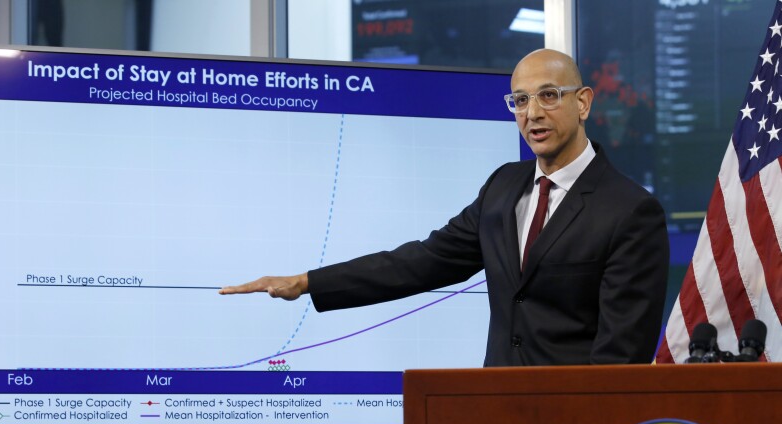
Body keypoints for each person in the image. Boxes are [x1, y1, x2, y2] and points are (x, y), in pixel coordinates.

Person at [220, 49, 669, 366]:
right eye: (520, 100)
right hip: (493, 419)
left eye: (548, 95)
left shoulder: (630, 212)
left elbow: (620, 360)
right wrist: (308, 282)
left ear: (584, 101)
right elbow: (420, 262)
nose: (532, 113)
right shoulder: (503, 187)